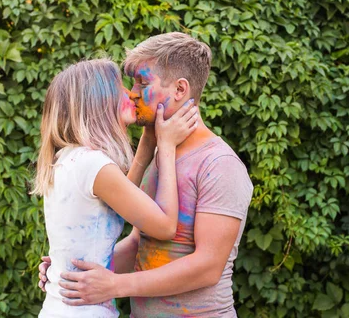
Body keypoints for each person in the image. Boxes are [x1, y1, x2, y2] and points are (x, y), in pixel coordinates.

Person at [38, 33, 254, 317]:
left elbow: (207, 267)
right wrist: (73, 273)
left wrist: (116, 285)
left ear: (179, 89)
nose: (132, 93)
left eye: (142, 82)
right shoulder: (159, 157)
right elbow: (140, 244)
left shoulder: (219, 164)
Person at [32, 58, 199, 317]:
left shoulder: (69, 158)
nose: (131, 93)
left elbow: (118, 206)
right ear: (99, 101)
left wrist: (148, 142)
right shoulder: (92, 165)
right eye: (121, 87)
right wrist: (166, 147)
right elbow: (165, 226)